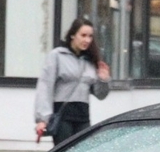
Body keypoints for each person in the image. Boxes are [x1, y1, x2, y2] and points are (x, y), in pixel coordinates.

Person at [34, 16, 110, 144]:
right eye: (83, 35)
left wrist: (103, 79)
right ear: (72, 35)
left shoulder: (90, 60)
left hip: (83, 117)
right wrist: (42, 119)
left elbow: (100, 95)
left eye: (90, 36)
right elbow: (45, 86)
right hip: (63, 116)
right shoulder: (57, 55)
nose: (87, 40)